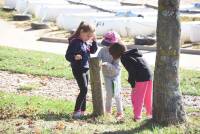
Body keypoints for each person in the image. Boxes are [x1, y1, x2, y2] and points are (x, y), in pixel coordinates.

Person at [109, 42, 153, 121]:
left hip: (141, 77)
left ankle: (137, 117)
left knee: (136, 97)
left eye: (112, 54)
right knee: (147, 96)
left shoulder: (124, 58)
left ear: (115, 53)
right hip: (149, 75)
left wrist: (132, 83)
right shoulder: (132, 54)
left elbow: (132, 70)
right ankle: (150, 113)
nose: (112, 56)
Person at [65, 21, 97, 119]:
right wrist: (75, 57)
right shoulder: (75, 42)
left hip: (85, 68)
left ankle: (82, 111)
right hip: (78, 68)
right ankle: (76, 111)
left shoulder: (85, 41)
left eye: (90, 36)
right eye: (88, 35)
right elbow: (67, 56)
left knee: (85, 89)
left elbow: (93, 51)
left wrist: (94, 41)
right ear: (82, 31)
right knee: (84, 89)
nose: (89, 38)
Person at [97, 31, 124, 120]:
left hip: (115, 75)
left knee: (117, 94)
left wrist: (108, 65)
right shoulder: (103, 50)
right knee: (109, 94)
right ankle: (108, 111)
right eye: (107, 44)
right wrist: (97, 63)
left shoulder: (117, 52)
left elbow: (116, 68)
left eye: (110, 45)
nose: (108, 47)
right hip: (106, 76)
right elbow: (98, 59)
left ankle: (120, 112)